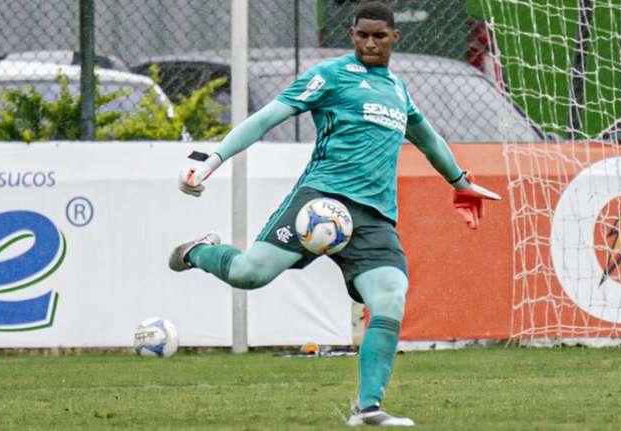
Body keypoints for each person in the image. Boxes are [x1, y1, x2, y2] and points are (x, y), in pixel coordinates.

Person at [169, 1, 499, 426]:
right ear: (352, 36)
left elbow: (427, 137)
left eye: (379, 36)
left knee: (390, 299)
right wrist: (212, 160)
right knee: (249, 274)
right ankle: (202, 251)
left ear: (394, 38)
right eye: (362, 35)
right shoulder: (331, 75)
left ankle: (367, 409)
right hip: (320, 200)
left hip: (374, 216)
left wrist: (460, 182)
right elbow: (268, 116)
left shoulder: (398, 90)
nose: (369, 42)